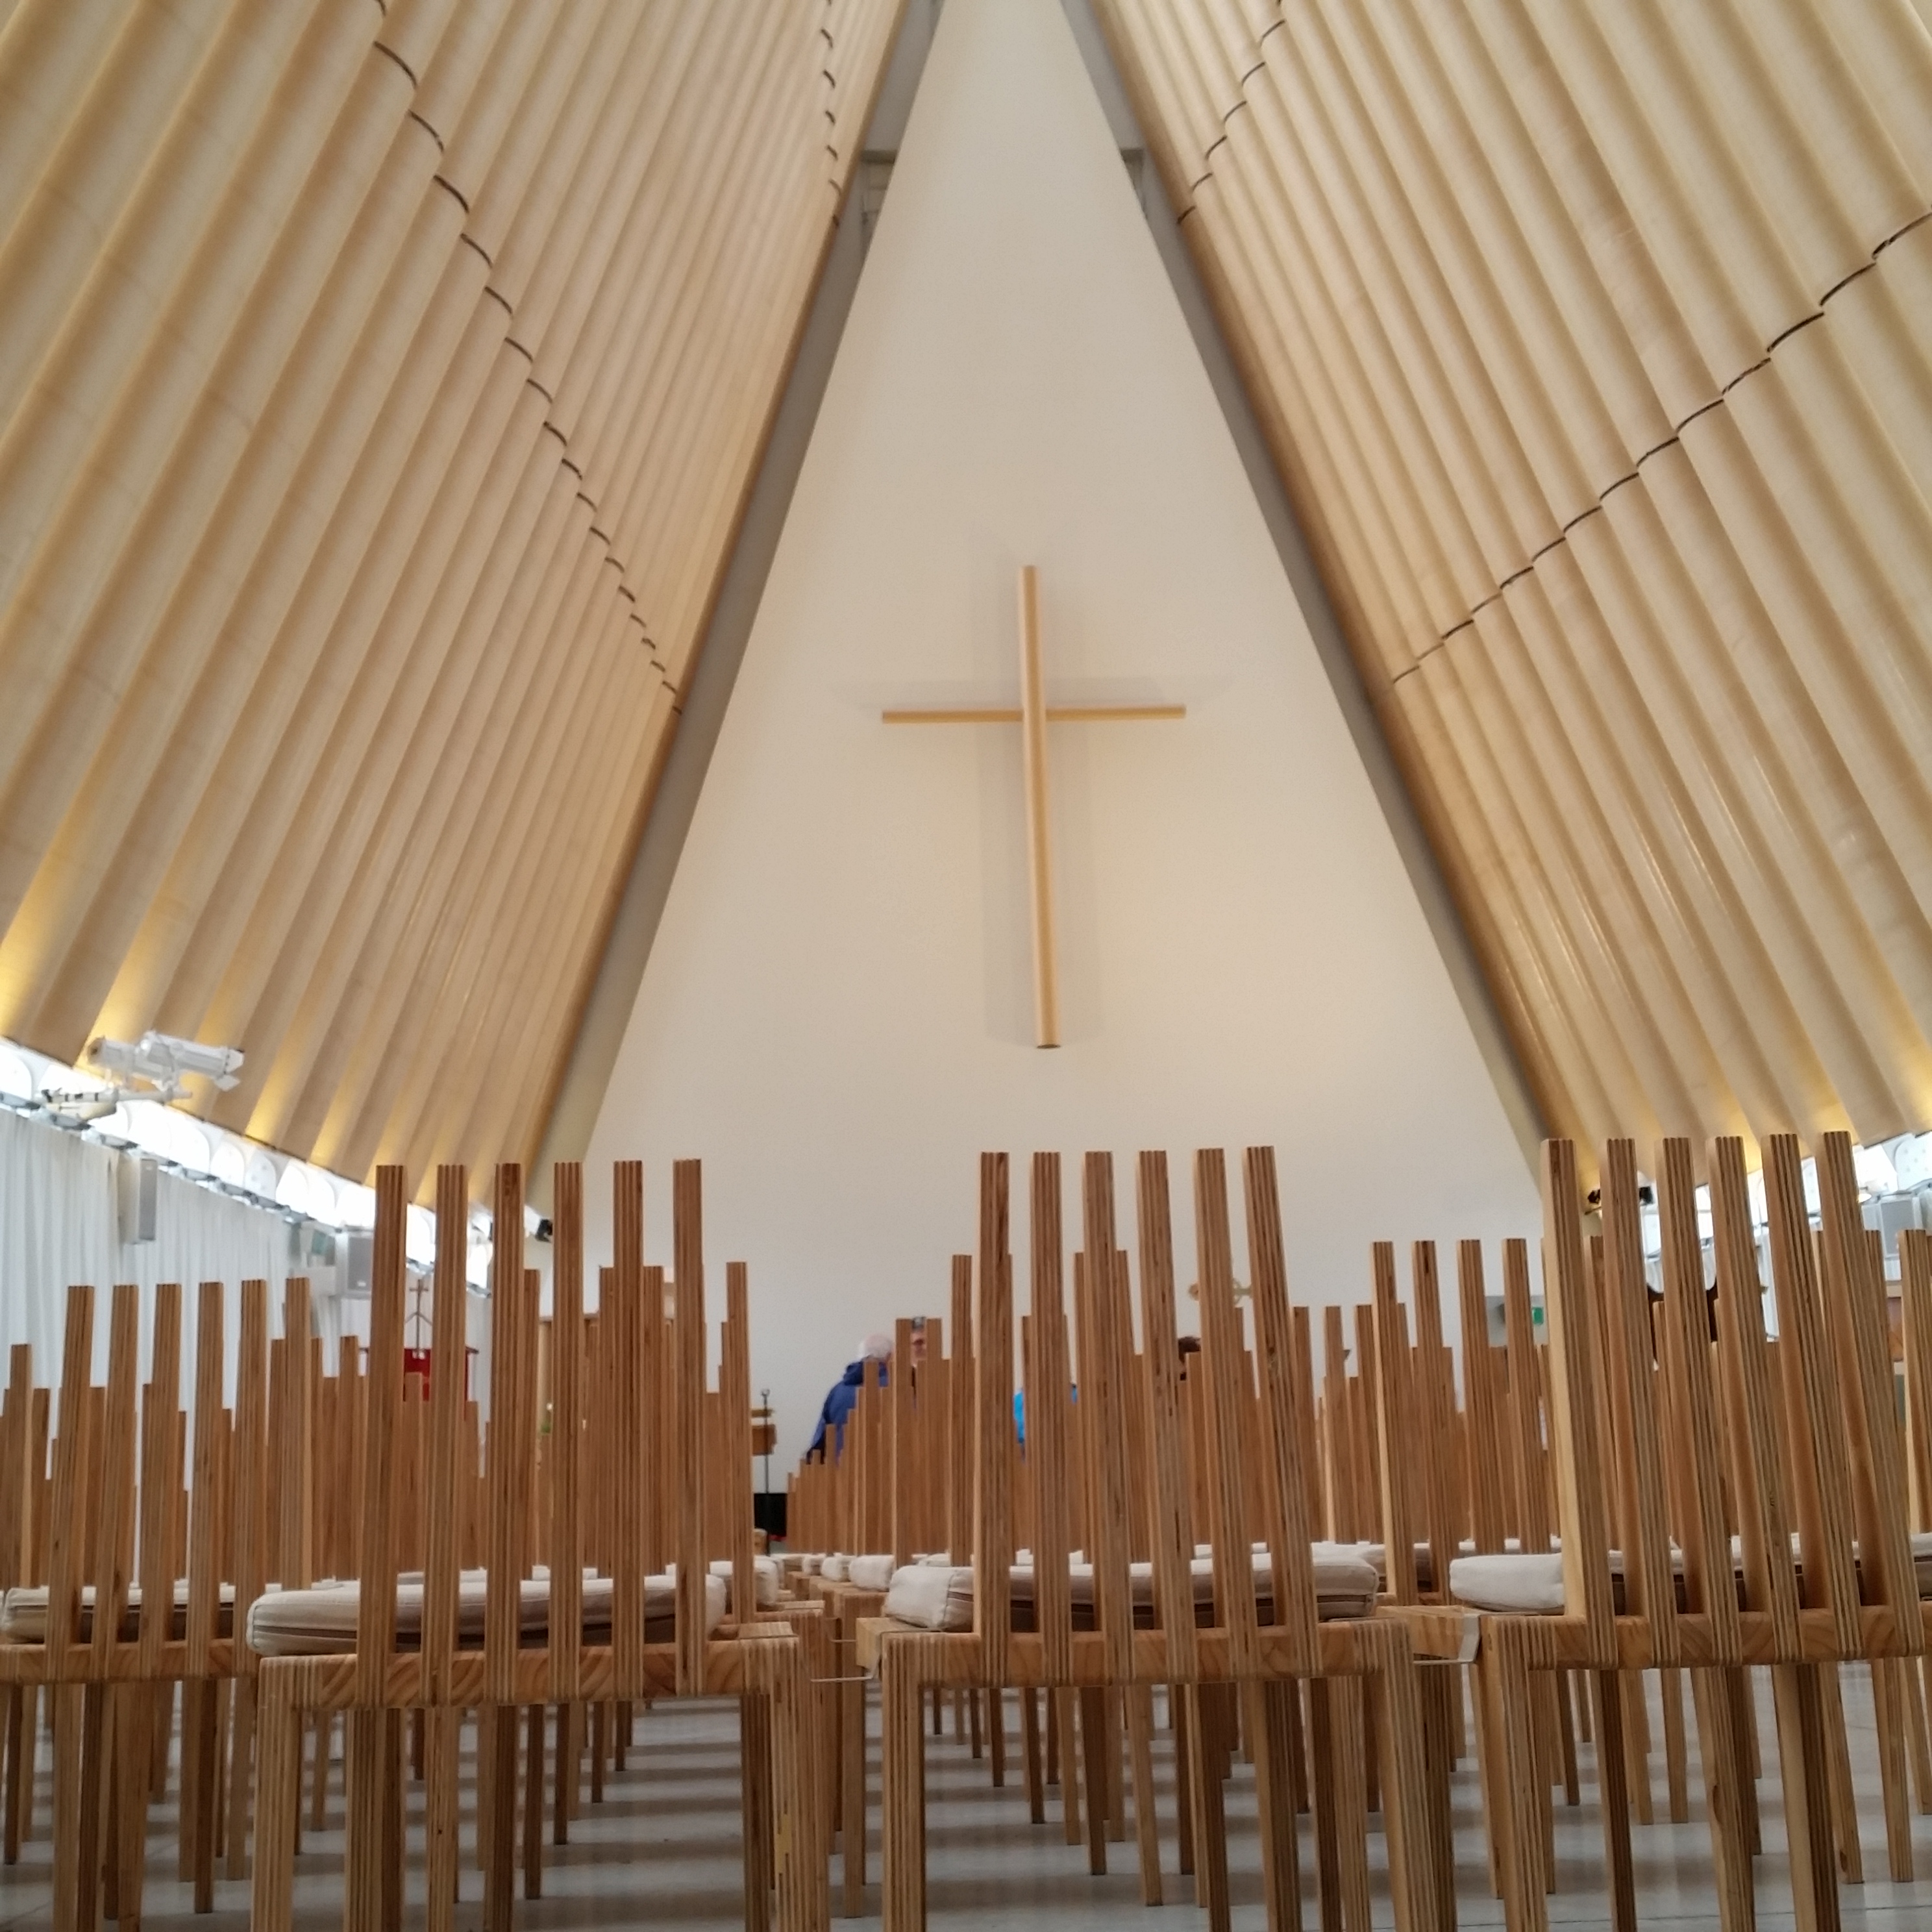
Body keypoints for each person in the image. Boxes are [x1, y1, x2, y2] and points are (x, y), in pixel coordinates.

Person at [807, 1331, 893, 1459]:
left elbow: (819, 1441)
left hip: (841, 1466)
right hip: (884, 1464)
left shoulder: (837, 1391)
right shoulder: (896, 1387)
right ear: (889, 1357)